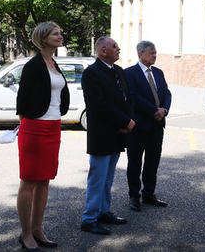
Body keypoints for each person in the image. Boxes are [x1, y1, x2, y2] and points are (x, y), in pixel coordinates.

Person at [16, 22, 69, 251]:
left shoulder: (54, 63)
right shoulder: (33, 65)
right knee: (29, 181)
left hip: (53, 127)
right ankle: (25, 233)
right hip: (34, 127)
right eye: (55, 33)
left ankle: (37, 229)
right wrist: (27, 127)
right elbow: (22, 101)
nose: (60, 36)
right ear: (43, 38)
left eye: (60, 33)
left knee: (45, 180)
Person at [80, 36, 133, 235]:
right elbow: (98, 104)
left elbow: (128, 98)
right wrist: (124, 121)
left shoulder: (119, 71)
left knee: (108, 178)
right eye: (114, 46)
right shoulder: (92, 73)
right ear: (103, 51)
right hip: (102, 134)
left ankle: (103, 211)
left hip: (118, 132)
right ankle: (89, 219)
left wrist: (127, 121)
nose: (118, 49)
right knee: (98, 178)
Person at [125, 40, 172, 212]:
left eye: (155, 52)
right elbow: (134, 96)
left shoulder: (158, 72)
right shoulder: (129, 73)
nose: (154, 55)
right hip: (138, 125)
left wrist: (164, 109)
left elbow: (166, 92)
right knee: (135, 162)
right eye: (151, 53)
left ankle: (149, 194)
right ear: (140, 54)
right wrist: (154, 111)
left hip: (157, 125)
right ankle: (134, 196)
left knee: (153, 161)